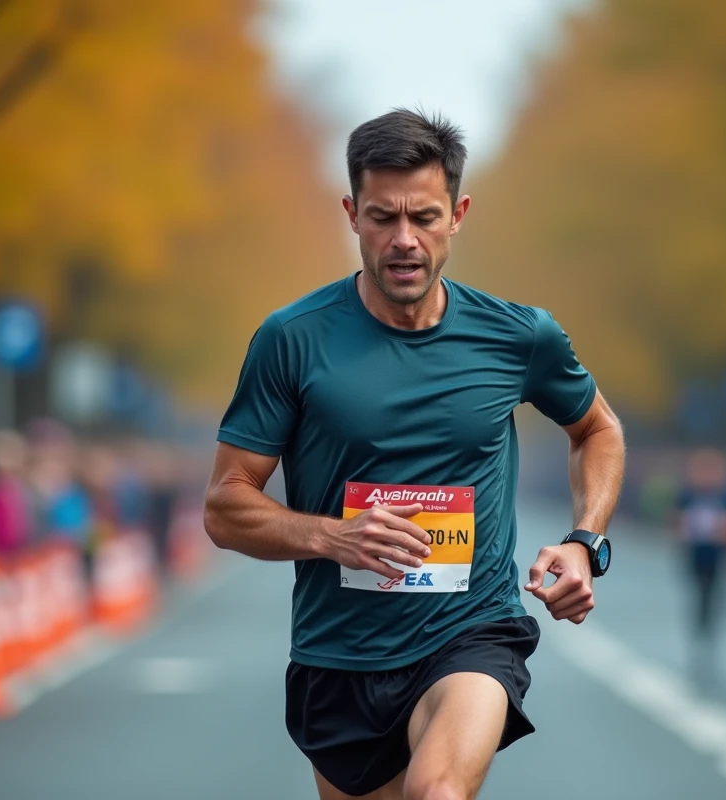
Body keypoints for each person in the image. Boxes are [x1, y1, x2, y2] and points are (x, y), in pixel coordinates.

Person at [204, 109, 625, 800]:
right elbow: (225, 506)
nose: (404, 240)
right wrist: (333, 536)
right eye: (382, 217)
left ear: (457, 214)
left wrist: (585, 542)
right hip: (339, 655)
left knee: (437, 793)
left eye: (424, 217)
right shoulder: (292, 339)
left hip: (471, 632)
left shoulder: (518, 336)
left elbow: (598, 429)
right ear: (351, 213)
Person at [671, 448, 726, 663]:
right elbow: (675, 520)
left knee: (715, 594)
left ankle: (709, 626)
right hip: (695, 555)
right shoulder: (687, 495)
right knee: (699, 592)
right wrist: (684, 532)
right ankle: (700, 625)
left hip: (719, 556)